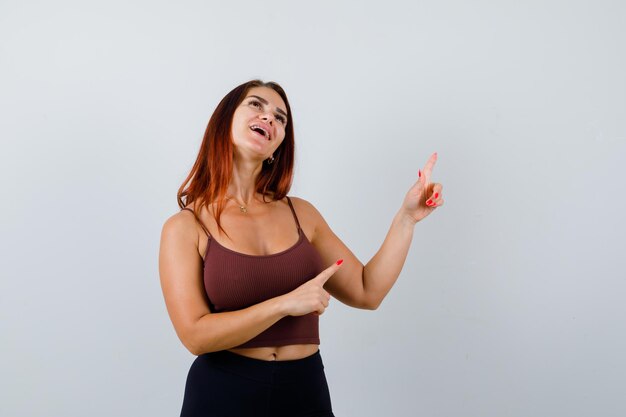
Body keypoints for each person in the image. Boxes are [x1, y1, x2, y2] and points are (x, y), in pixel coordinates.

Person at [158, 79, 443, 417]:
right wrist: (284, 305)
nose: (270, 119)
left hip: (304, 389)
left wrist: (406, 218)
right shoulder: (185, 227)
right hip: (224, 391)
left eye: (280, 118)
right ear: (224, 121)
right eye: (256, 105)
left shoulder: (302, 214)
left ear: (278, 145)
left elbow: (368, 291)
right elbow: (195, 336)